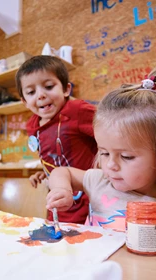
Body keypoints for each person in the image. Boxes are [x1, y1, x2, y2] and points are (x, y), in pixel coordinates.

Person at [46, 57, 156, 244]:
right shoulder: (100, 182)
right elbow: (61, 171)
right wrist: (61, 189)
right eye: (104, 153)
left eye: (126, 156)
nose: (111, 165)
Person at [16, 55, 98, 224]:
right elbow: (54, 155)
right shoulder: (32, 125)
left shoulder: (77, 110)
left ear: (66, 89)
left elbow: (112, 135)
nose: (40, 95)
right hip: (59, 203)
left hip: (91, 201)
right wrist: (46, 173)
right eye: (31, 92)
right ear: (24, 101)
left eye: (48, 86)